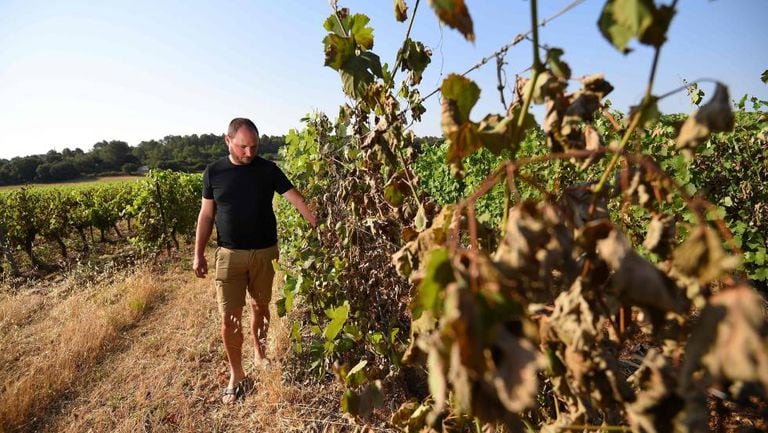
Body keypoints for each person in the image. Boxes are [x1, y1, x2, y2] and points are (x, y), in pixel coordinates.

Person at [193, 117, 316, 404]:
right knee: (229, 318)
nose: (249, 153)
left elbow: (296, 199)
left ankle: (261, 355)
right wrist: (198, 253)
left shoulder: (268, 170)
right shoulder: (214, 172)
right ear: (228, 141)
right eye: (242, 147)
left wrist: (318, 225)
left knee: (260, 307)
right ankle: (237, 374)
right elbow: (207, 215)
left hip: (265, 253)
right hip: (229, 256)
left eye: (254, 146)